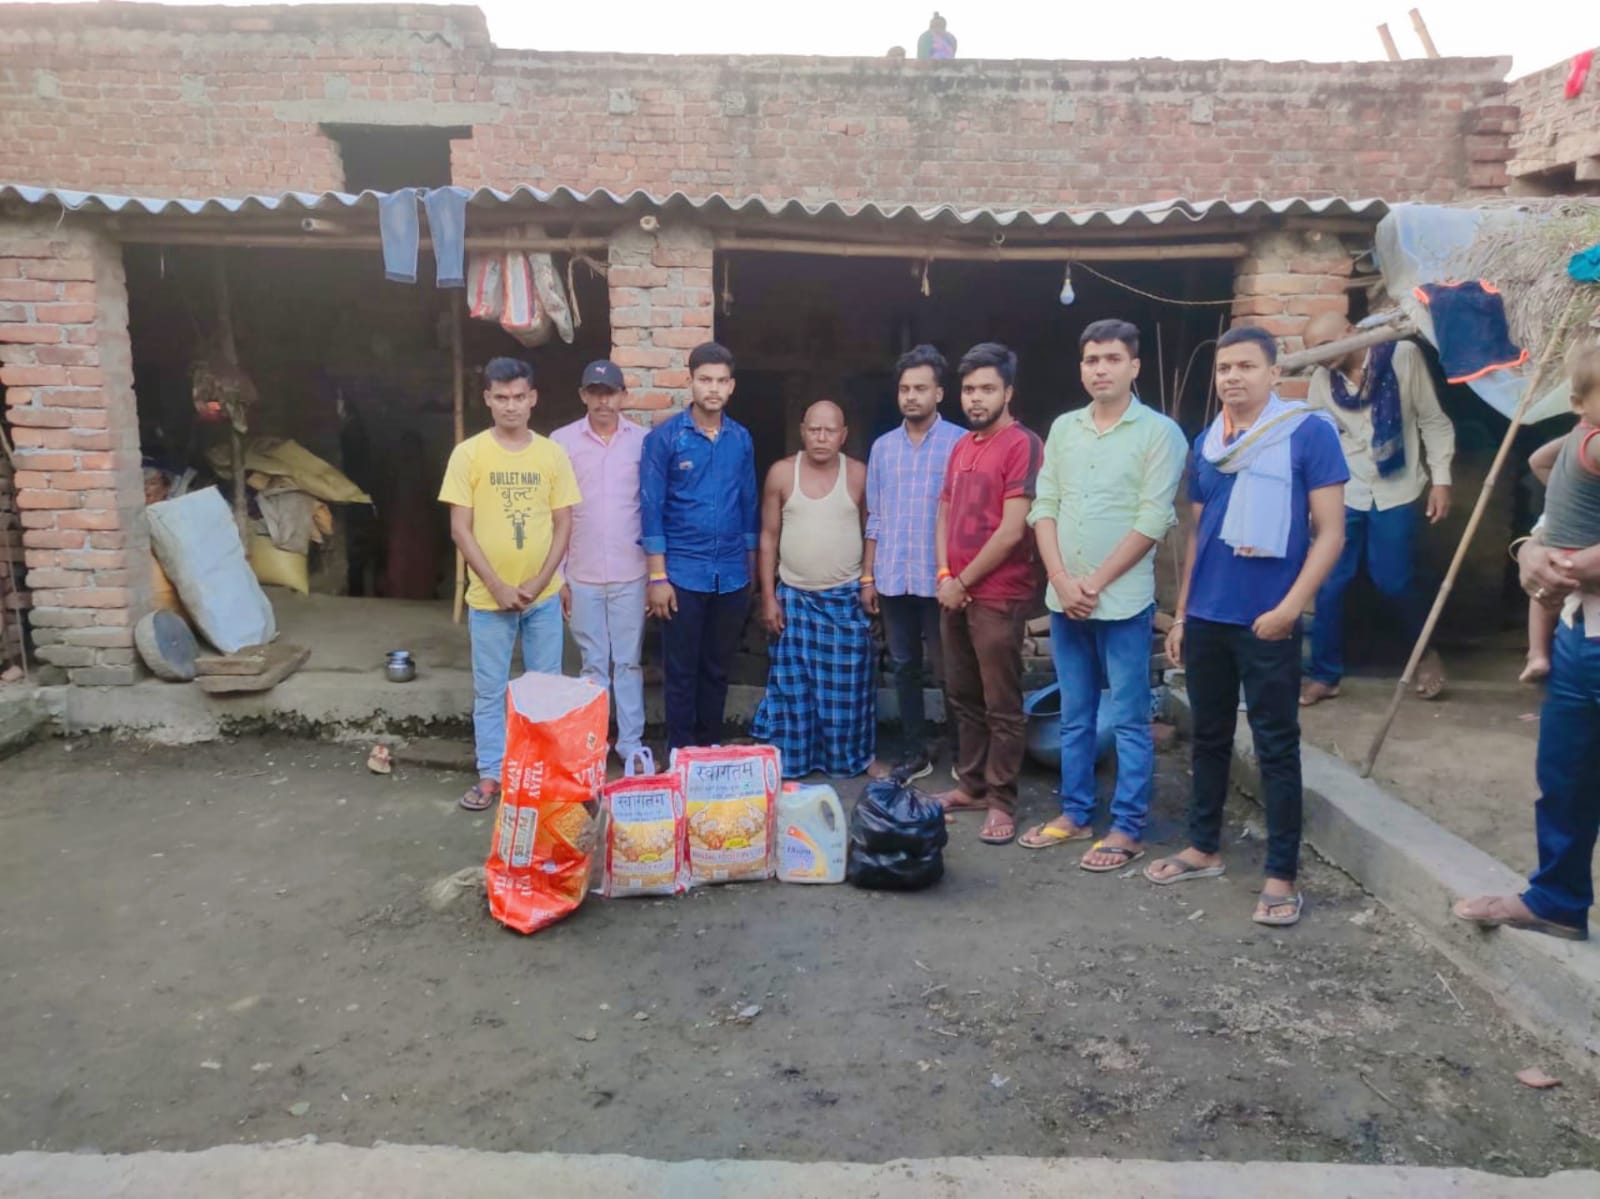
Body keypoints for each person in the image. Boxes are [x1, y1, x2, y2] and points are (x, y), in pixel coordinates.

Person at [1149, 326, 1347, 927]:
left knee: (1275, 746)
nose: (1232, 377)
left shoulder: (1307, 433)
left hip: (1268, 619)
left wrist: (1291, 608)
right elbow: (1199, 535)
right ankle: (1202, 848)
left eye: (1246, 366)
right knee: (1208, 738)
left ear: (1273, 372)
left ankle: (1282, 875)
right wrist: (1183, 614)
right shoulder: (1208, 443)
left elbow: (1331, 534)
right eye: (1224, 368)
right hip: (1209, 616)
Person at [1021, 320, 1188, 871]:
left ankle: (1127, 828)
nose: (1101, 369)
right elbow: (1044, 506)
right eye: (1092, 359)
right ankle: (1074, 814)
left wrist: (1092, 584)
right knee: (1075, 714)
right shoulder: (1064, 429)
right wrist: (1061, 580)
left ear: (1134, 367)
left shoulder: (1160, 433)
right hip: (1064, 599)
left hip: (1122, 603)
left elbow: (1153, 519)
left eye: (1113, 359)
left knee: (1131, 719)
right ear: (1081, 368)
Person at [1454, 341, 1600, 941]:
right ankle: (1557, 900)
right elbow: (1554, 515)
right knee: (1565, 774)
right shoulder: (1581, 442)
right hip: (1580, 630)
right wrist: (1531, 550)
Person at [440, 357, 580, 811]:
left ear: (532, 398)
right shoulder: (469, 454)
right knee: (490, 691)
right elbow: (460, 529)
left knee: (545, 691)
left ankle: (540, 777)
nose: (511, 406)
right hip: (488, 600)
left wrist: (541, 580)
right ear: (487, 399)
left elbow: (564, 523)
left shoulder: (551, 455)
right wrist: (497, 585)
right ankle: (492, 775)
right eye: (501, 397)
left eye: (519, 397)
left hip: (542, 599)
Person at [1300, 313, 1455, 705]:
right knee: (1329, 581)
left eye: (1326, 345)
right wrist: (1311, 499)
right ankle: (1324, 675)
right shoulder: (1322, 381)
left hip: (1396, 487)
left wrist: (1441, 479)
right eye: (1313, 352)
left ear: (1351, 332)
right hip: (1346, 489)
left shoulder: (1402, 356)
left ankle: (1425, 654)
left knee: (1393, 581)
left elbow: (1432, 420)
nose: (1321, 357)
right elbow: (1316, 443)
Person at [932, 343, 1044, 845]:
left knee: (1002, 702)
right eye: (969, 389)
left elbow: (1012, 530)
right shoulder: (962, 446)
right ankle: (972, 785)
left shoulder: (1023, 444)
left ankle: (1002, 800)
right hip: (954, 592)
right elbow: (943, 510)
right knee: (962, 694)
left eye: (986, 389)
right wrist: (944, 575)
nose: (975, 398)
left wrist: (962, 582)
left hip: (998, 594)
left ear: (1008, 392)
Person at [640, 342, 759, 753]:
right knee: (681, 671)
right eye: (705, 380)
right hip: (681, 576)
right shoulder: (665, 439)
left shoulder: (740, 439)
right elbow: (651, 509)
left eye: (721, 381)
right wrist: (658, 577)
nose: (713, 388)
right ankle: (680, 756)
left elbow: (748, 505)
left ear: (732, 386)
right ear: (690, 382)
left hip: (731, 576)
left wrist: (750, 574)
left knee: (717, 668)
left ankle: (709, 754)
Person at [750, 401, 875, 777]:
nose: (822, 437)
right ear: (803, 431)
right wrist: (769, 597)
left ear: (843, 435)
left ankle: (851, 758)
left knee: (847, 691)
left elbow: (871, 532)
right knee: (794, 693)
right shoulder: (781, 473)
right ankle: (795, 761)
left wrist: (868, 581)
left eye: (830, 430)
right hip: (795, 599)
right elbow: (768, 537)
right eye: (815, 430)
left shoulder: (858, 475)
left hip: (844, 599)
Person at [861, 344, 965, 780]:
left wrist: (960, 578)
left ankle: (962, 754)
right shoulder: (883, 448)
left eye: (920, 389)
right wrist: (868, 576)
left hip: (940, 579)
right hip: (893, 577)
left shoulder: (959, 443)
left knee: (950, 669)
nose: (911, 396)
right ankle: (914, 751)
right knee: (904, 667)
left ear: (939, 393)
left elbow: (965, 517)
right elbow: (875, 516)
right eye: (905, 389)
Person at [552, 359, 648, 767]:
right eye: (595, 392)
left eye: (610, 393)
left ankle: (630, 745)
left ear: (623, 396)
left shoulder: (643, 442)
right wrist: (559, 577)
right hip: (582, 573)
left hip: (632, 571)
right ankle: (592, 747)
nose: (603, 401)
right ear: (583, 395)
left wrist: (655, 575)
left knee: (628, 662)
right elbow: (555, 513)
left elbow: (652, 508)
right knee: (592, 665)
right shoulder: (561, 442)